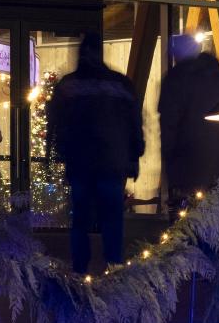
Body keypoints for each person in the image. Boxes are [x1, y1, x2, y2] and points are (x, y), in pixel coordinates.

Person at [45, 32, 145, 274]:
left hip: (81, 163)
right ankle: (114, 267)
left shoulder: (69, 86)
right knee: (112, 219)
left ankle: (80, 269)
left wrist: (55, 152)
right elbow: (134, 122)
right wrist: (134, 154)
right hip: (112, 162)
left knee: (81, 219)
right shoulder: (120, 84)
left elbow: (55, 121)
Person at [157, 33, 219, 211]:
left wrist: (168, 157)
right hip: (218, 160)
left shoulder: (176, 79)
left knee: (189, 217)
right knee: (215, 215)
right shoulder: (217, 78)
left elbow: (169, 122)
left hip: (187, 160)